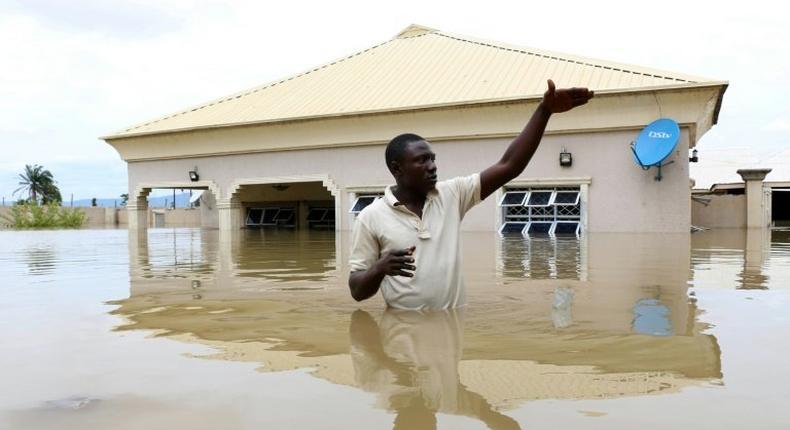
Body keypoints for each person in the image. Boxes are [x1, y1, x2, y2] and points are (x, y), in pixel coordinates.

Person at [348, 80, 593, 309]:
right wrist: (379, 268)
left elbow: (510, 166)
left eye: (433, 159)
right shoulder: (371, 217)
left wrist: (544, 111)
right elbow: (357, 291)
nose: (432, 166)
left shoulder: (452, 195)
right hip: (401, 338)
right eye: (422, 160)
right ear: (397, 168)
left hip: (449, 336)